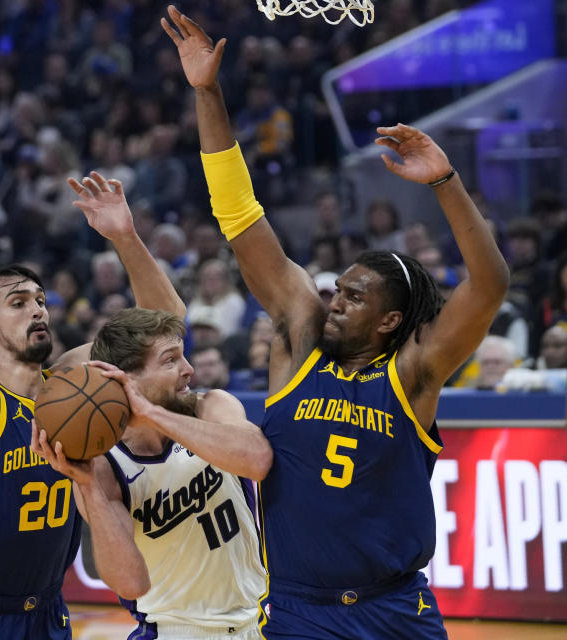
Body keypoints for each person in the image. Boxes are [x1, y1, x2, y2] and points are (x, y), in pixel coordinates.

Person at [163, 5, 509, 639]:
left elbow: (489, 286)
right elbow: (239, 216)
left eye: (354, 296)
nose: (335, 298)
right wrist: (208, 95)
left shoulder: (414, 373)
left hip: (394, 606)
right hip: (300, 608)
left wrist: (446, 183)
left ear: (390, 321)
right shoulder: (299, 341)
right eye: (337, 288)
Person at [0, 172, 185, 640]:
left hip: (46, 613)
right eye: (19, 303)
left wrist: (125, 238)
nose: (38, 310)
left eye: (41, 301)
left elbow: (166, 325)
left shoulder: (71, 380)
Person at [32, 308, 271, 639]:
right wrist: (86, 485)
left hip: (262, 620)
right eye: (170, 361)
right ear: (124, 377)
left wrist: (152, 414)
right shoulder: (103, 467)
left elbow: (257, 460)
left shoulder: (212, 407)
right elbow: (130, 583)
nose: (188, 369)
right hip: (174, 630)